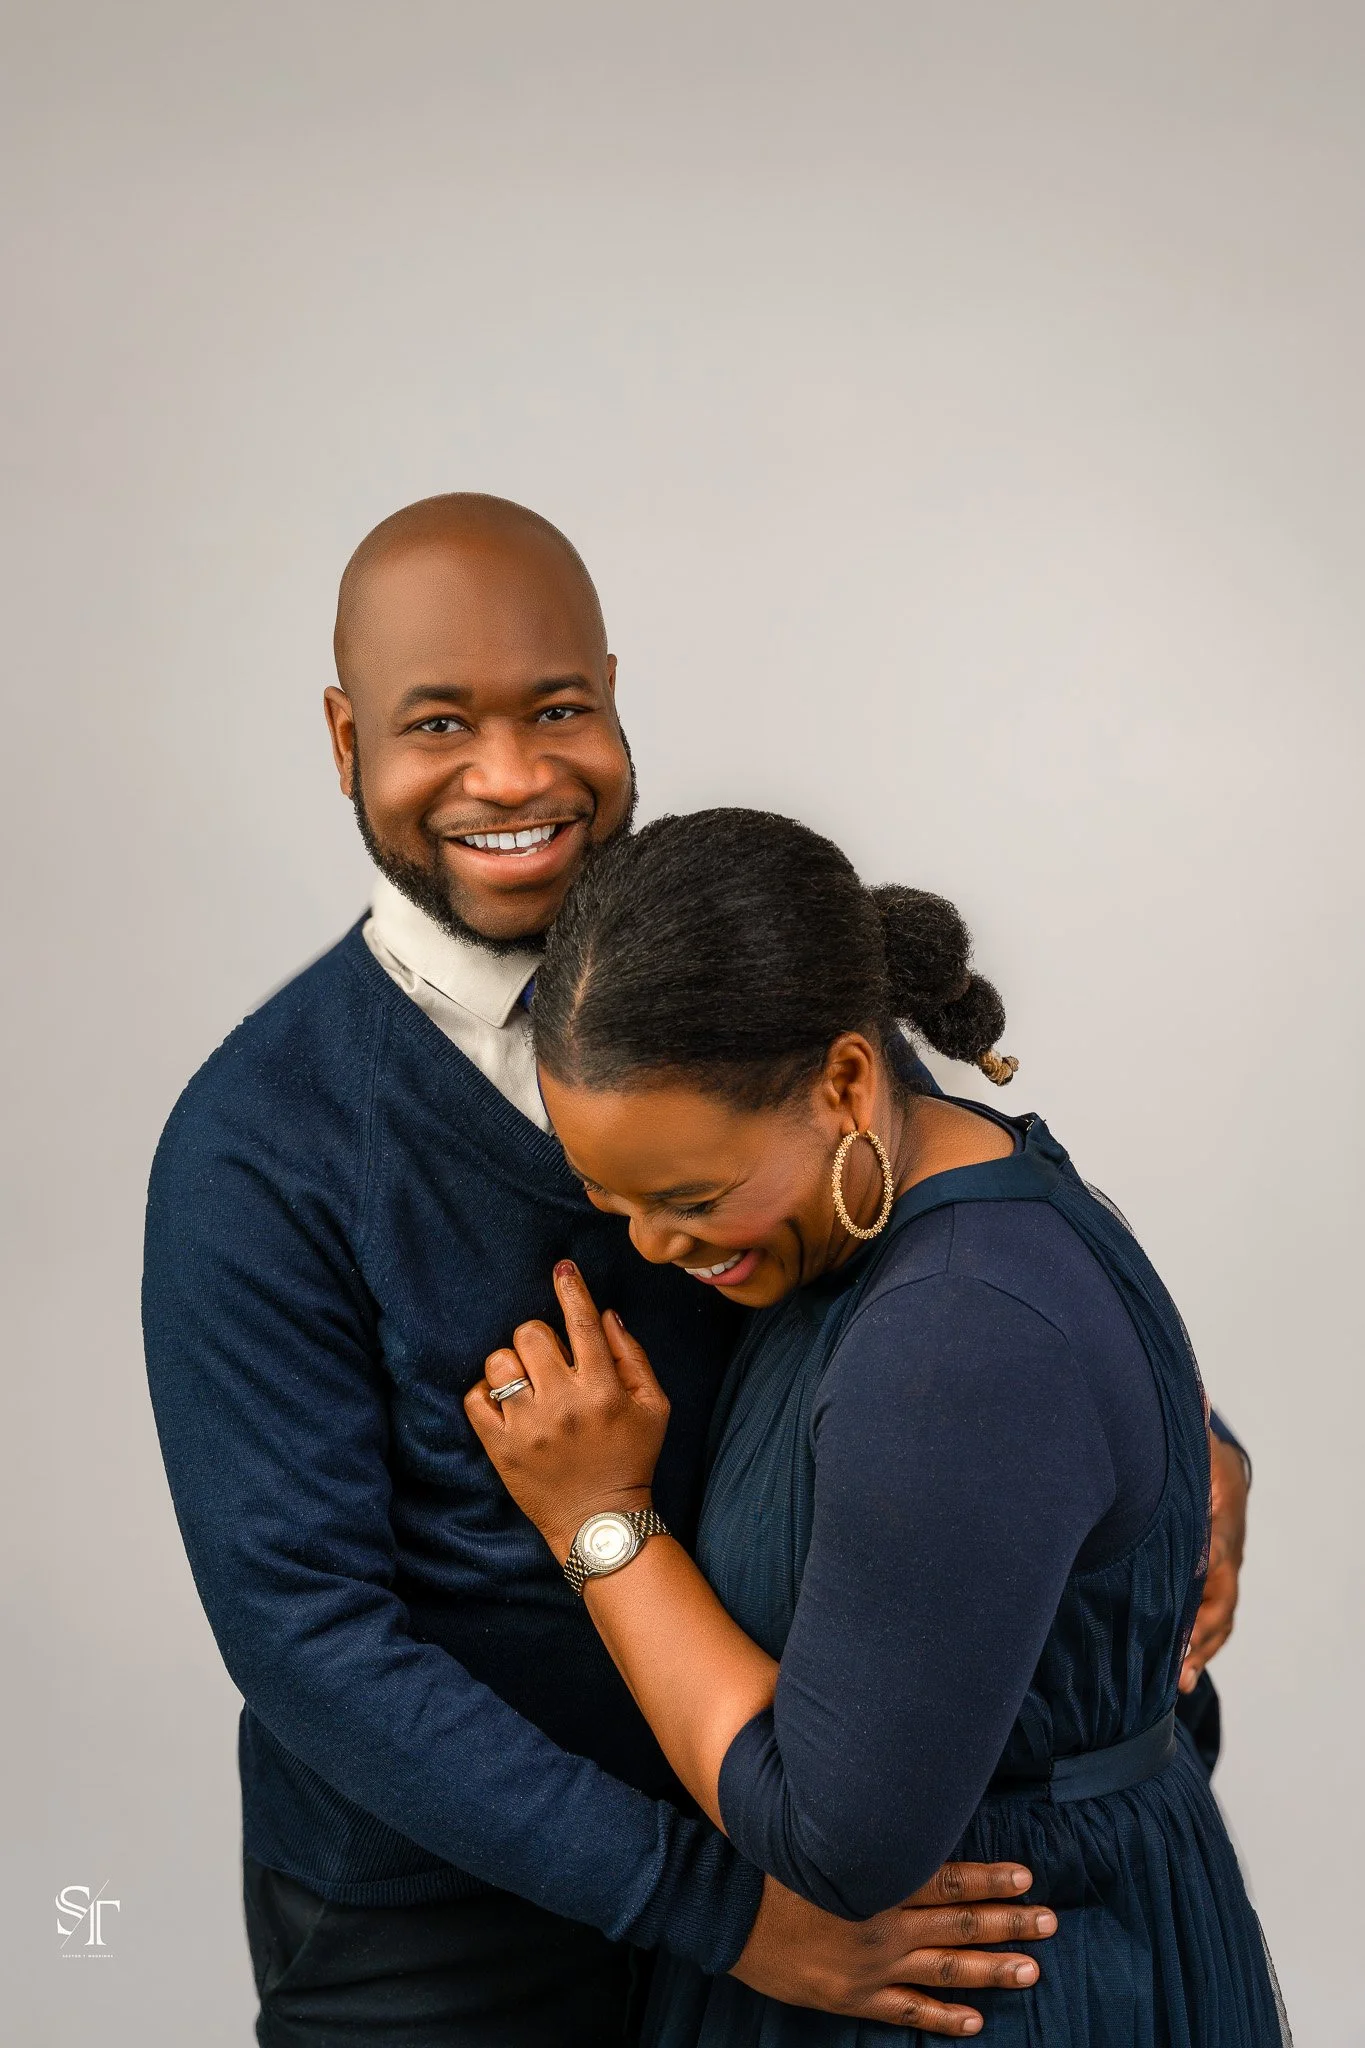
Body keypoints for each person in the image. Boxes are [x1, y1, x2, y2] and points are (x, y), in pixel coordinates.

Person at [143, 495, 1248, 2044]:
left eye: (558, 709)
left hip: (804, 1850)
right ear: (344, 740)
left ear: (614, 692)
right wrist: (719, 1910)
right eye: (436, 722)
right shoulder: (255, 1149)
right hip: (463, 1936)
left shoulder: (735, 974)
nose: (513, 774)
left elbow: (953, 1252)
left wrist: (1166, 1432)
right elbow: (309, 1640)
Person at [466, 807, 1288, 2046]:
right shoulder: (931, 1200)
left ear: (846, 1077)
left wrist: (601, 1522)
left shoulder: (951, 1330)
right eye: (611, 1197)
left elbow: (836, 1845)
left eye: (691, 1196)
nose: (651, 1246)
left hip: (977, 1997)